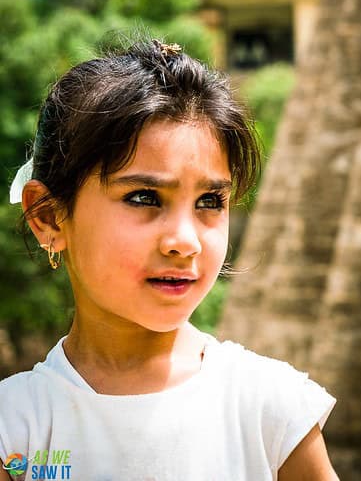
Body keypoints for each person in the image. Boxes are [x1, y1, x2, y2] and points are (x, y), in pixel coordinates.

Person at [0, 38, 339, 481]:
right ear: (48, 217)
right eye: (144, 197)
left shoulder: (272, 410)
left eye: (210, 201)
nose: (185, 241)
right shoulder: (17, 430)